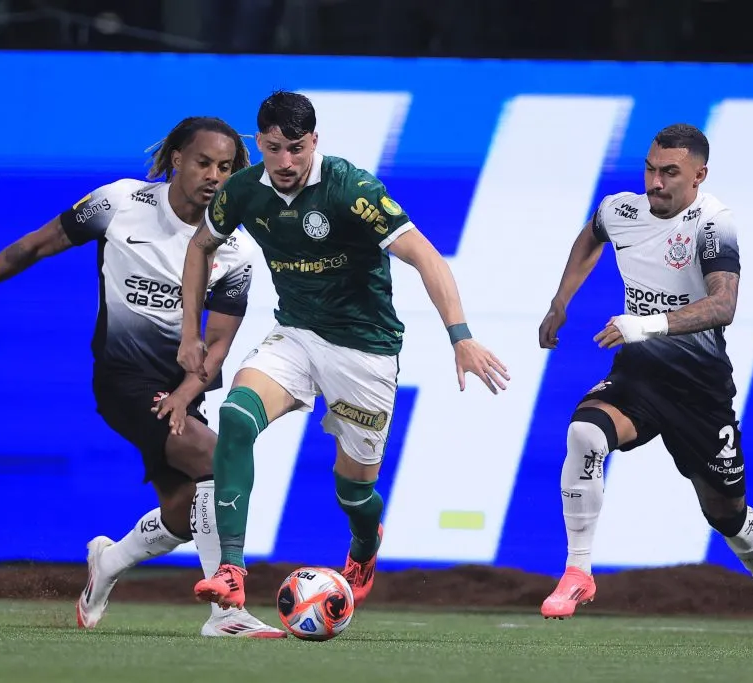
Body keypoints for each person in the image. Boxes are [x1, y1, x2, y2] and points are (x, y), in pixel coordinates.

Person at [0, 116, 285, 639]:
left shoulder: (234, 251)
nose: (213, 175)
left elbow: (218, 344)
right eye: (202, 162)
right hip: (122, 379)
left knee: (184, 512)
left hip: (178, 392)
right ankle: (227, 613)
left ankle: (107, 562)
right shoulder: (120, 203)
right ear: (176, 158)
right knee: (221, 459)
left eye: (224, 167)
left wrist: (186, 393)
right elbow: (35, 245)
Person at [178, 91, 510, 611]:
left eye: (295, 148)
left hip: (364, 352)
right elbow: (200, 246)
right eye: (272, 148)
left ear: (315, 141)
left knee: (352, 491)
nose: (284, 162)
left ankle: (364, 542)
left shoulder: (351, 189)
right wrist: (189, 333)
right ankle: (232, 570)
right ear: (258, 143)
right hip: (296, 336)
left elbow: (424, 254)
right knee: (236, 418)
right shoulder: (244, 191)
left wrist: (460, 335)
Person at [536, 124, 753, 650]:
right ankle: (578, 572)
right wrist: (560, 302)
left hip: (700, 389)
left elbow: (722, 306)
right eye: (650, 168)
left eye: (670, 173)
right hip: (638, 377)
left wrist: (647, 324)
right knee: (585, 433)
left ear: (699, 176)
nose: (655, 183)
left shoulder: (713, 223)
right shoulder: (622, 209)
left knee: (726, 516)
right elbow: (592, 233)